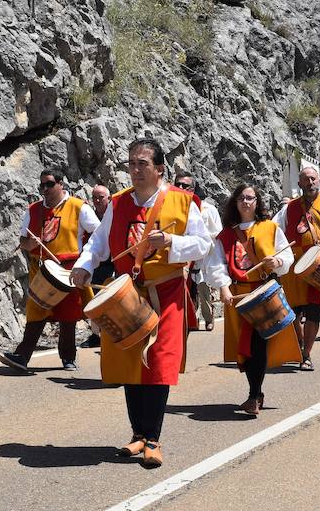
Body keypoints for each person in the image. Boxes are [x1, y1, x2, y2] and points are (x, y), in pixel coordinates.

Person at [71, 137, 212, 469]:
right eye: (131, 163)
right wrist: (83, 265)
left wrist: (171, 241)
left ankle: (153, 438)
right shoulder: (118, 204)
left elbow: (203, 245)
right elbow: (98, 245)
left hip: (166, 294)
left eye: (142, 163)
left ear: (159, 169)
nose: (135, 169)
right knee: (131, 363)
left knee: (158, 365)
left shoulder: (182, 201)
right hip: (127, 295)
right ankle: (137, 433)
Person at [203, 183, 299, 416]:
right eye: (242, 198)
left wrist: (277, 263)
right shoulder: (225, 235)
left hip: (265, 293)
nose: (246, 202)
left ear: (257, 202)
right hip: (238, 296)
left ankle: (254, 395)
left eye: (250, 198)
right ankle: (255, 392)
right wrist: (224, 287)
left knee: (257, 344)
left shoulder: (270, 228)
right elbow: (216, 265)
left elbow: (286, 255)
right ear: (235, 203)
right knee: (244, 348)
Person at [0, 169, 100, 372]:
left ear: (61, 184)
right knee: (36, 310)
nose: (45, 189)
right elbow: (23, 242)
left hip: (68, 268)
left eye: (49, 184)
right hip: (42, 268)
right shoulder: (33, 210)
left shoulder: (79, 207)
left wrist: (86, 262)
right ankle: (22, 356)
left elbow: (98, 235)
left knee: (68, 314)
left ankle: (68, 357)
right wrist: (30, 242)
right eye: (42, 185)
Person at [273, 166, 320, 370]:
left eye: (313, 179)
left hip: (317, 265)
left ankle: (306, 354)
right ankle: (299, 344)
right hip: (294, 268)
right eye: (306, 180)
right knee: (293, 313)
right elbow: (273, 230)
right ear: (300, 184)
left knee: (314, 311)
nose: (310, 183)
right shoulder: (288, 208)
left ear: (319, 180)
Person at [174, 173, 223, 331]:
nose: (180, 188)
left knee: (202, 288)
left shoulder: (209, 209)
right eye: (178, 185)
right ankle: (189, 319)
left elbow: (218, 233)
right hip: (183, 255)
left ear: (193, 189)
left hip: (203, 255)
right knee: (184, 288)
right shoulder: (173, 207)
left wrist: (202, 239)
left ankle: (208, 318)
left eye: (185, 186)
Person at [81, 184, 113, 348]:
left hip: (114, 261)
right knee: (95, 297)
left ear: (109, 197)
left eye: (101, 197)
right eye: (95, 197)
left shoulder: (115, 213)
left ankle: (112, 332)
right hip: (98, 263)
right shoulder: (90, 215)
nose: (98, 200)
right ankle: (96, 335)